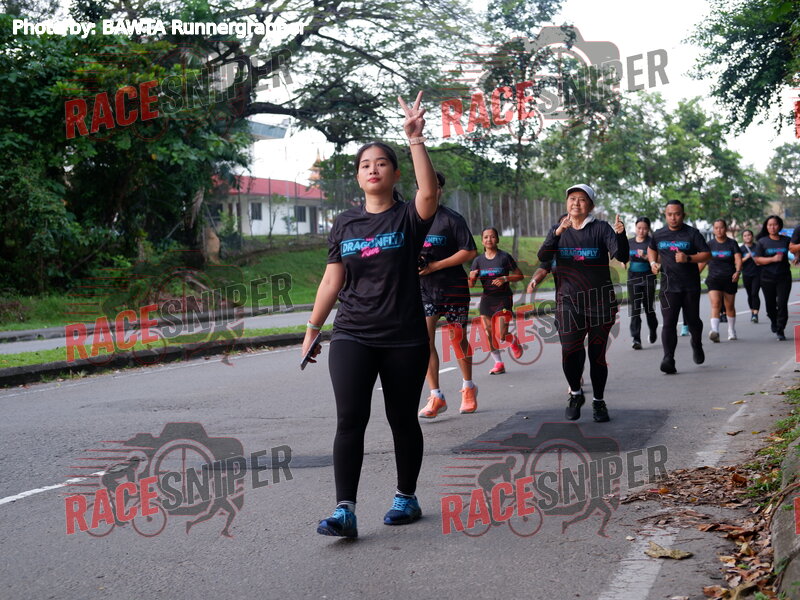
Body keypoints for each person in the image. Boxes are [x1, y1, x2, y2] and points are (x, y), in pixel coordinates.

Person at [302, 92, 438, 538]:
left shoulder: (408, 218)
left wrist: (415, 139)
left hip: (404, 337)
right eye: (365, 165)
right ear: (358, 176)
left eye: (381, 163)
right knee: (350, 419)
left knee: (402, 419)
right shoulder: (345, 223)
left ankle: (406, 497)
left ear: (395, 173)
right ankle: (345, 510)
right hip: (352, 333)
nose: (373, 169)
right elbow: (331, 281)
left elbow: (429, 191)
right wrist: (312, 328)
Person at [537, 184, 628, 422]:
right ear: (567, 203)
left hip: (599, 302)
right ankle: (576, 393)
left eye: (582, 199)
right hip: (568, 302)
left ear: (591, 205)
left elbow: (621, 255)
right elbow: (543, 256)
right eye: (572, 198)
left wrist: (620, 235)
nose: (576, 203)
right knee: (569, 351)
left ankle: (598, 401)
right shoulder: (558, 229)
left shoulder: (601, 229)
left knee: (597, 354)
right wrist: (557, 233)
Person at [417, 172, 479, 418]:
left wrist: (435, 266)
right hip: (423, 289)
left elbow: (469, 251)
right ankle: (436, 396)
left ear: (440, 190)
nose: (432, 190)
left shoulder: (452, 218)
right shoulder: (410, 218)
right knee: (424, 341)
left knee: (457, 338)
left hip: (453, 288)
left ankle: (468, 387)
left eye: (436, 186)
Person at [648, 200, 711, 374]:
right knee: (669, 323)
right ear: (665, 215)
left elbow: (707, 254)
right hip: (668, 287)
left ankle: (696, 343)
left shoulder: (692, 233)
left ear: (683, 215)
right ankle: (668, 358)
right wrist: (653, 263)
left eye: (677, 214)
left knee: (693, 321)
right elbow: (651, 248)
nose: (673, 218)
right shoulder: (659, 234)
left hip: (690, 286)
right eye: (670, 214)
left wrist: (688, 258)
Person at [468, 227, 525, 375]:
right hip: (487, 299)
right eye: (486, 237)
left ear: (497, 239)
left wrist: (505, 278)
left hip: (503, 299)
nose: (489, 239)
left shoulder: (504, 257)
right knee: (488, 333)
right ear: (482, 241)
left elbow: (519, 275)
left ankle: (513, 341)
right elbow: (471, 284)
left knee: (501, 334)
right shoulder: (478, 261)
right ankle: (498, 363)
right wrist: (472, 278)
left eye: (492, 236)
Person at [698, 219, 742, 341]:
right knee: (716, 304)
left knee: (729, 306)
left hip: (729, 278)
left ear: (725, 228)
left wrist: (738, 271)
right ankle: (715, 331)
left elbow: (738, 259)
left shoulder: (732, 243)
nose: (719, 230)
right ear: (713, 230)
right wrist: (694, 275)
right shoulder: (709, 245)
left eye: (721, 227)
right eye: (716, 228)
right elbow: (703, 261)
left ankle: (731, 330)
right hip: (714, 279)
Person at [754, 215, 791, 341]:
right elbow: (757, 260)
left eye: (775, 224)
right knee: (770, 306)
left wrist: (797, 257)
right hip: (767, 277)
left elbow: (794, 251)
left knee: (782, 304)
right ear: (766, 227)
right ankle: (774, 321)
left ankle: (780, 329)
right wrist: (773, 259)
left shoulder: (786, 240)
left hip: (784, 277)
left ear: (779, 226)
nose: (772, 227)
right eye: (769, 225)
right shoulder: (762, 242)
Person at [627, 217, 658, 349]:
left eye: (645, 228)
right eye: (639, 228)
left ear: (648, 229)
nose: (641, 231)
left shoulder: (651, 242)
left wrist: (646, 257)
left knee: (648, 307)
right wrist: (623, 262)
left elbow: (658, 260)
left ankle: (653, 329)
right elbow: (624, 256)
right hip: (633, 278)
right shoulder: (630, 242)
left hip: (648, 278)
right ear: (635, 228)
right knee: (635, 308)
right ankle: (636, 339)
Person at [740, 229, 761, 323]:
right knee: (749, 294)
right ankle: (752, 312)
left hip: (757, 274)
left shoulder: (758, 247)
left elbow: (762, 258)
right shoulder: (741, 249)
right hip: (746, 274)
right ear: (743, 238)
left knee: (754, 293)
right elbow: (738, 261)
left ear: (752, 236)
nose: (747, 237)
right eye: (745, 236)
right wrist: (746, 257)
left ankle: (756, 314)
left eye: (749, 235)